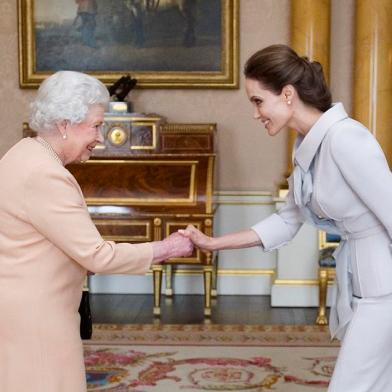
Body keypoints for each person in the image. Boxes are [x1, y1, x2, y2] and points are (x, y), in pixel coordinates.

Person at [179, 44, 392, 391]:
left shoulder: (345, 138)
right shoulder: (307, 146)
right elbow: (287, 220)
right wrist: (213, 243)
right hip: (363, 283)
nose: (255, 113)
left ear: (288, 95)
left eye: (257, 100)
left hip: (384, 288)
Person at [0, 70, 193, 392]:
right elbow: (97, 255)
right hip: (38, 318)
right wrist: (167, 248)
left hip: (20, 309)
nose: (101, 138)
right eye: (96, 126)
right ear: (64, 124)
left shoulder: (21, 154)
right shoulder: (45, 175)